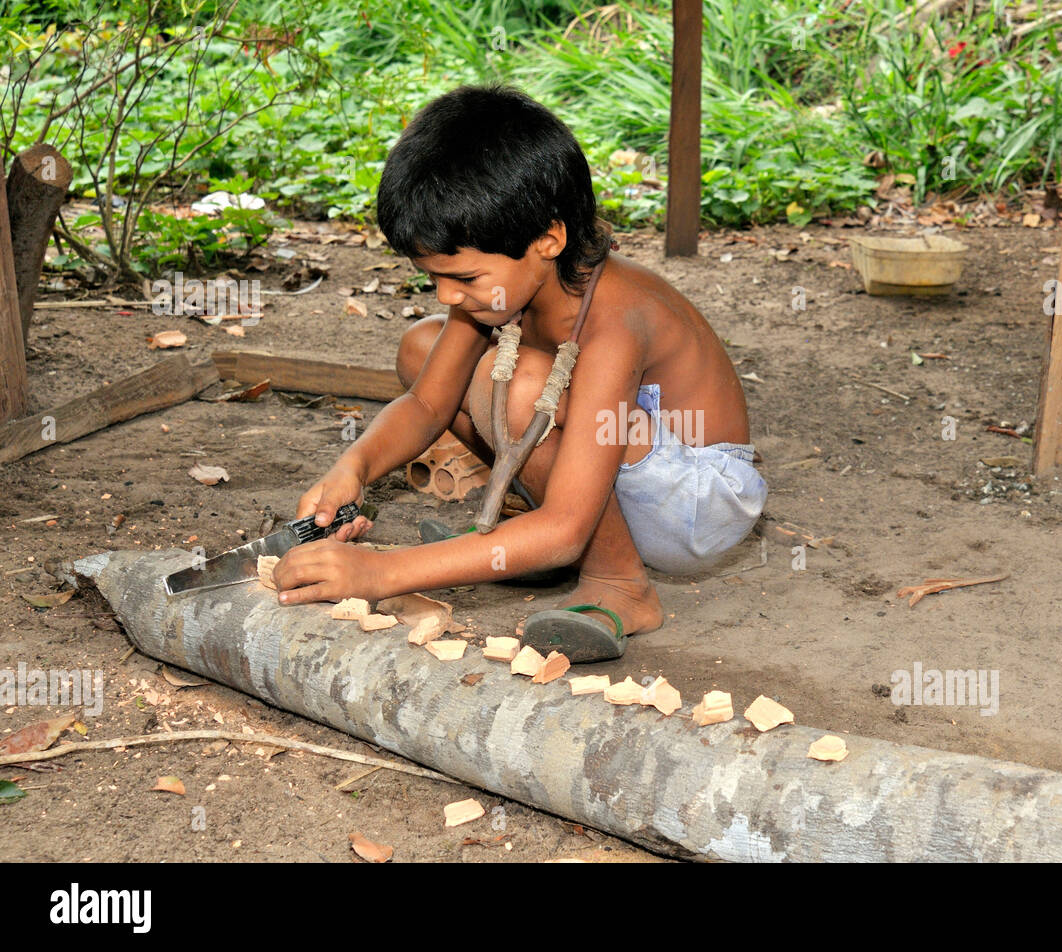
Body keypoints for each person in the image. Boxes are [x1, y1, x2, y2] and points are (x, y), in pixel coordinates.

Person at [273, 84, 766, 662]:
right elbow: (429, 405)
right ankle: (523, 543)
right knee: (422, 348)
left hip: (696, 503)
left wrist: (382, 573)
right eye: (432, 277)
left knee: (527, 389)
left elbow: (565, 526)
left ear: (548, 239)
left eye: (465, 278)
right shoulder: (504, 290)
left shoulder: (615, 320)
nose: (447, 294)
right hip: (615, 476)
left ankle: (618, 584)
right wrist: (350, 468)